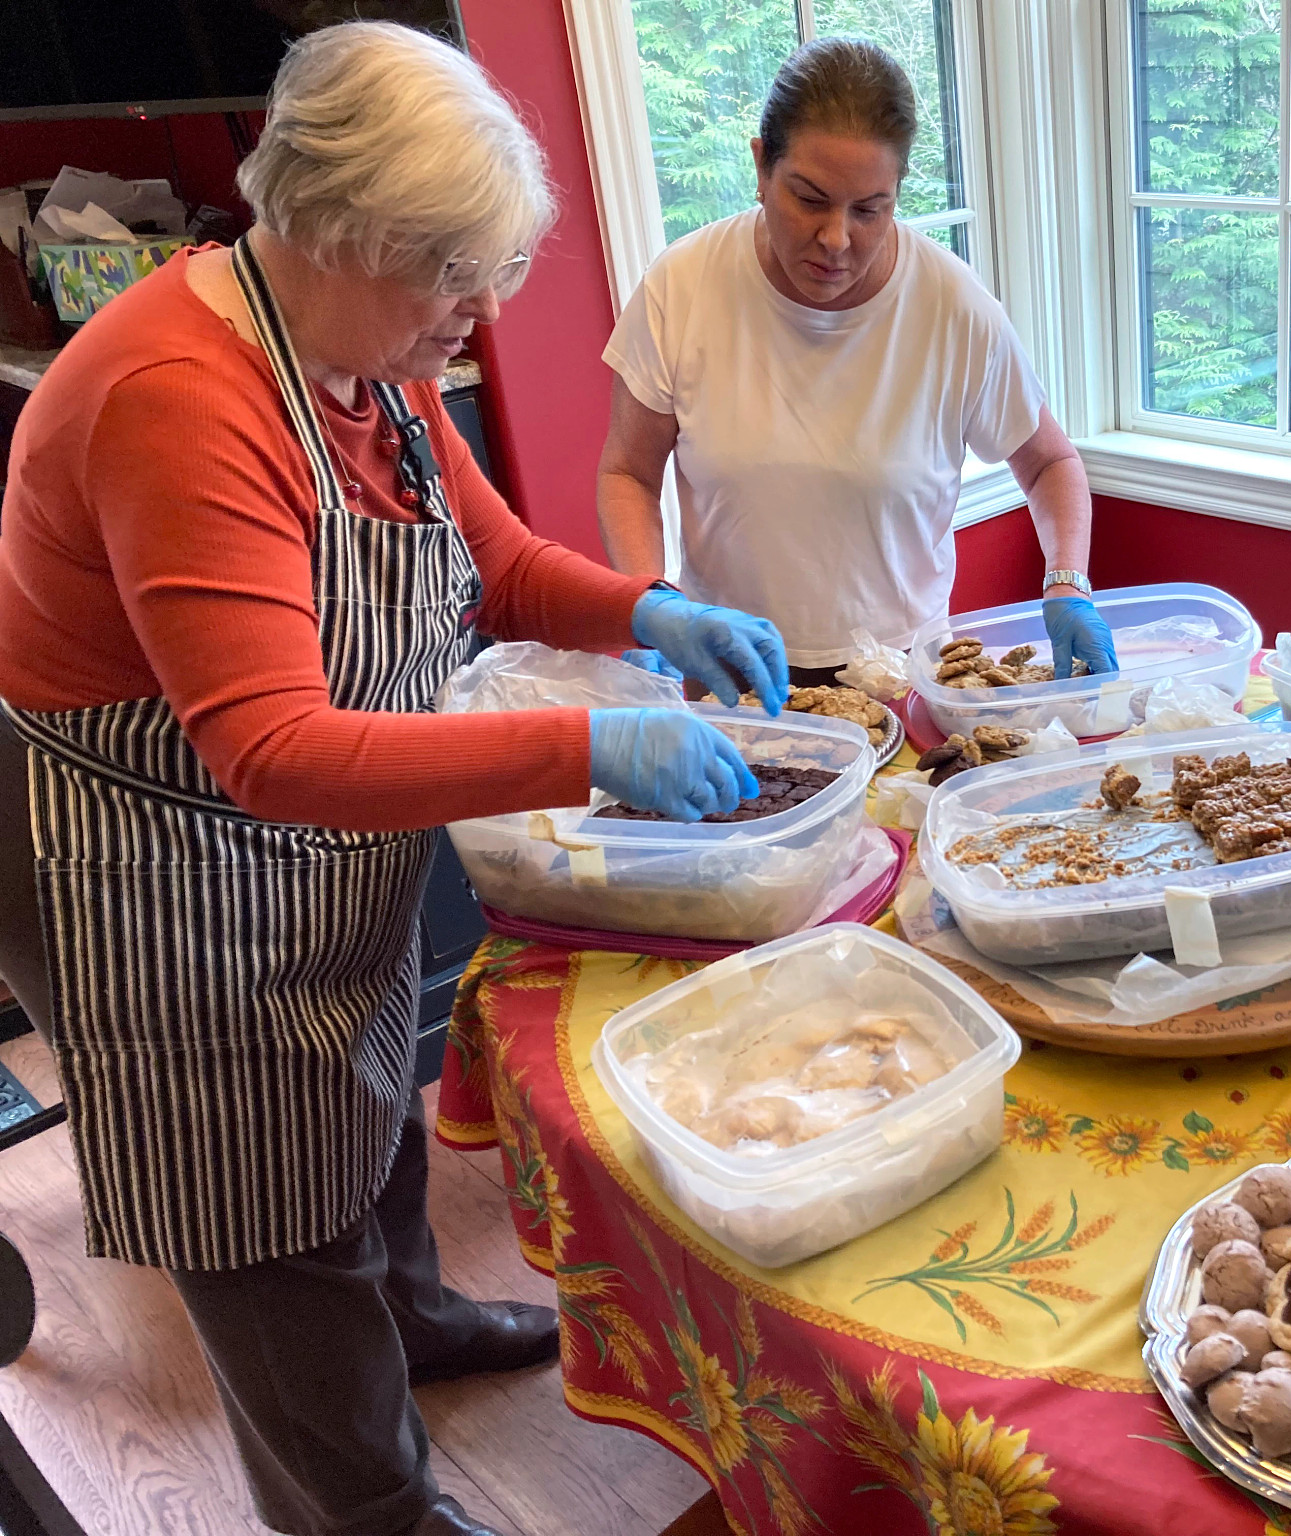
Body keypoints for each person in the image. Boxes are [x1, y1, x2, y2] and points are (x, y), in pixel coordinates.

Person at [0, 24, 787, 1536]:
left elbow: (488, 558)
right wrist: (589, 741)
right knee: (263, 1199)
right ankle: (361, 1503)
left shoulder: (363, 352)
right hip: (146, 861)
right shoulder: (180, 397)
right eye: (452, 273)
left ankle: (412, 1316)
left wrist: (645, 610)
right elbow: (278, 752)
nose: (484, 311)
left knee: (363, 1087)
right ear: (333, 237)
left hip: (288, 827)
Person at [596, 36, 1118, 687]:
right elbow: (630, 473)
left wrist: (1067, 581)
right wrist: (647, 603)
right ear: (762, 167)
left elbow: (1048, 461)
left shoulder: (951, 306)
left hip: (902, 673)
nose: (837, 239)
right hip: (728, 666)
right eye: (810, 199)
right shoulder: (682, 288)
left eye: (871, 210)